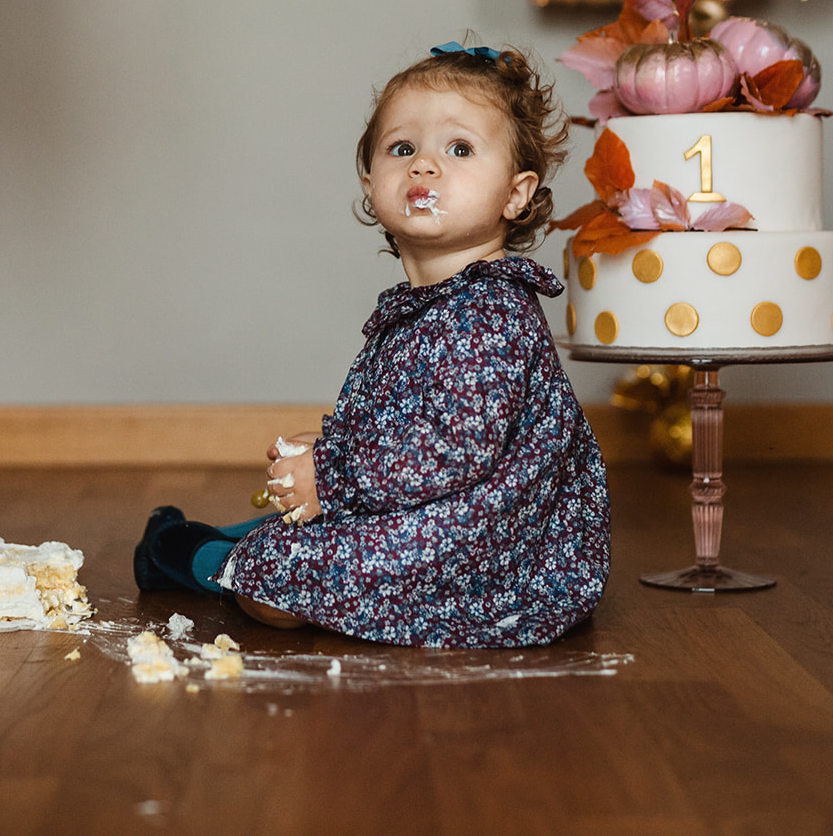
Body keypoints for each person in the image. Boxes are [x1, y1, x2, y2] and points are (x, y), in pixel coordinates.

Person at [134, 40, 610, 647]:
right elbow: (409, 424)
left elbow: (452, 451)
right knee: (310, 532)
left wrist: (329, 472)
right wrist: (337, 445)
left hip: (502, 555)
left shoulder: (490, 313)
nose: (424, 166)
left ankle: (181, 554)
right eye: (402, 148)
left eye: (459, 148)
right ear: (370, 184)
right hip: (447, 515)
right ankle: (237, 540)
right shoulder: (433, 307)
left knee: (277, 587)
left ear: (516, 194)